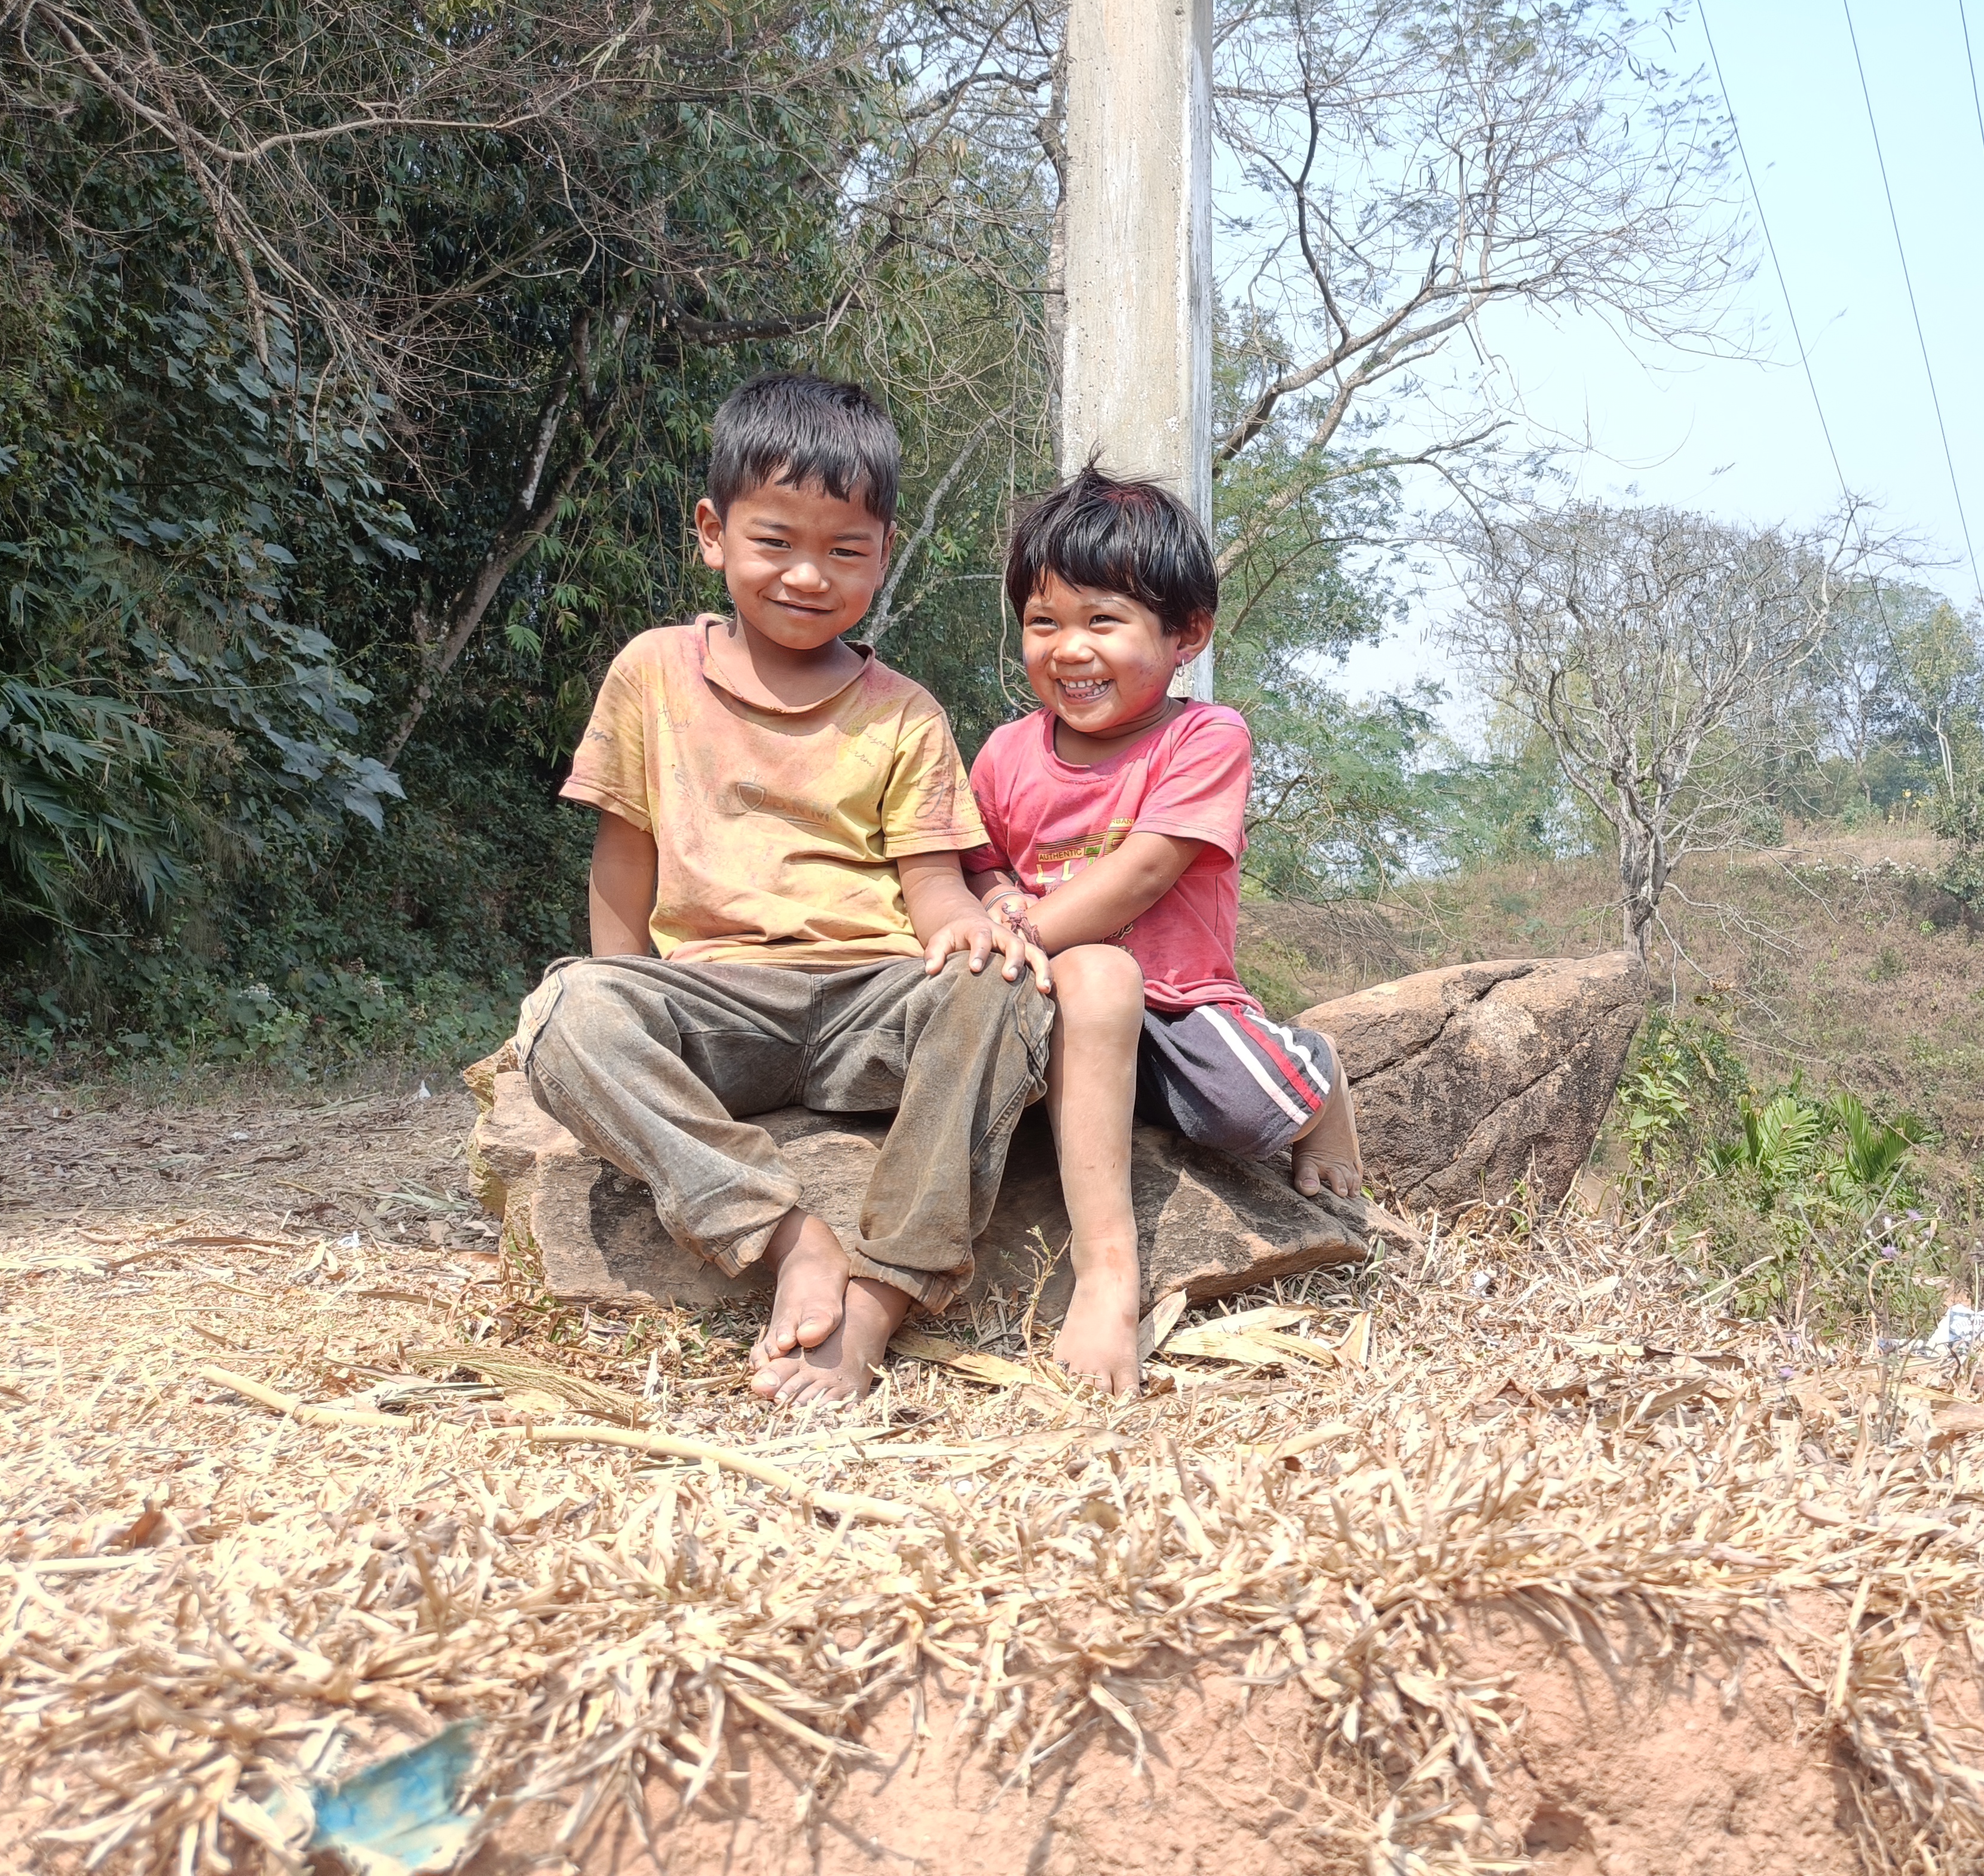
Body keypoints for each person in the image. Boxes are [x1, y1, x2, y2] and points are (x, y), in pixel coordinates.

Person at [517, 373, 1051, 1408]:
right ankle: (785, 1237)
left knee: (1013, 993)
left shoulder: (904, 712)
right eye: (776, 542)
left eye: (845, 550)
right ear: (714, 533)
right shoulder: (654, 672)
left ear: (883, 554)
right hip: (716, 1004)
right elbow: (623, 859)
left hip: (872, 998)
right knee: (569, 1012)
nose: (809, 576)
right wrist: (632, 1018)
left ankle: (882, 1294)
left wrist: (968, 945)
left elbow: (934, 887)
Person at [963, 466, 1363, 1394]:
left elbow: (1147, 870)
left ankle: (1316, 1071)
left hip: (1180, 1008)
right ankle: (1109, 1275)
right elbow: (974, 858)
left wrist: (1034, 928)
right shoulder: (1006, 752)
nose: (1069, 650)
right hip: (1070, 1002)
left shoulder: (1205, 738)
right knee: (1058, 1003)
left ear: (1186, 635)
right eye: (1043, 622)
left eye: (1103, 621)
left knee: (1240, 1117)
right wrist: (992, 906)